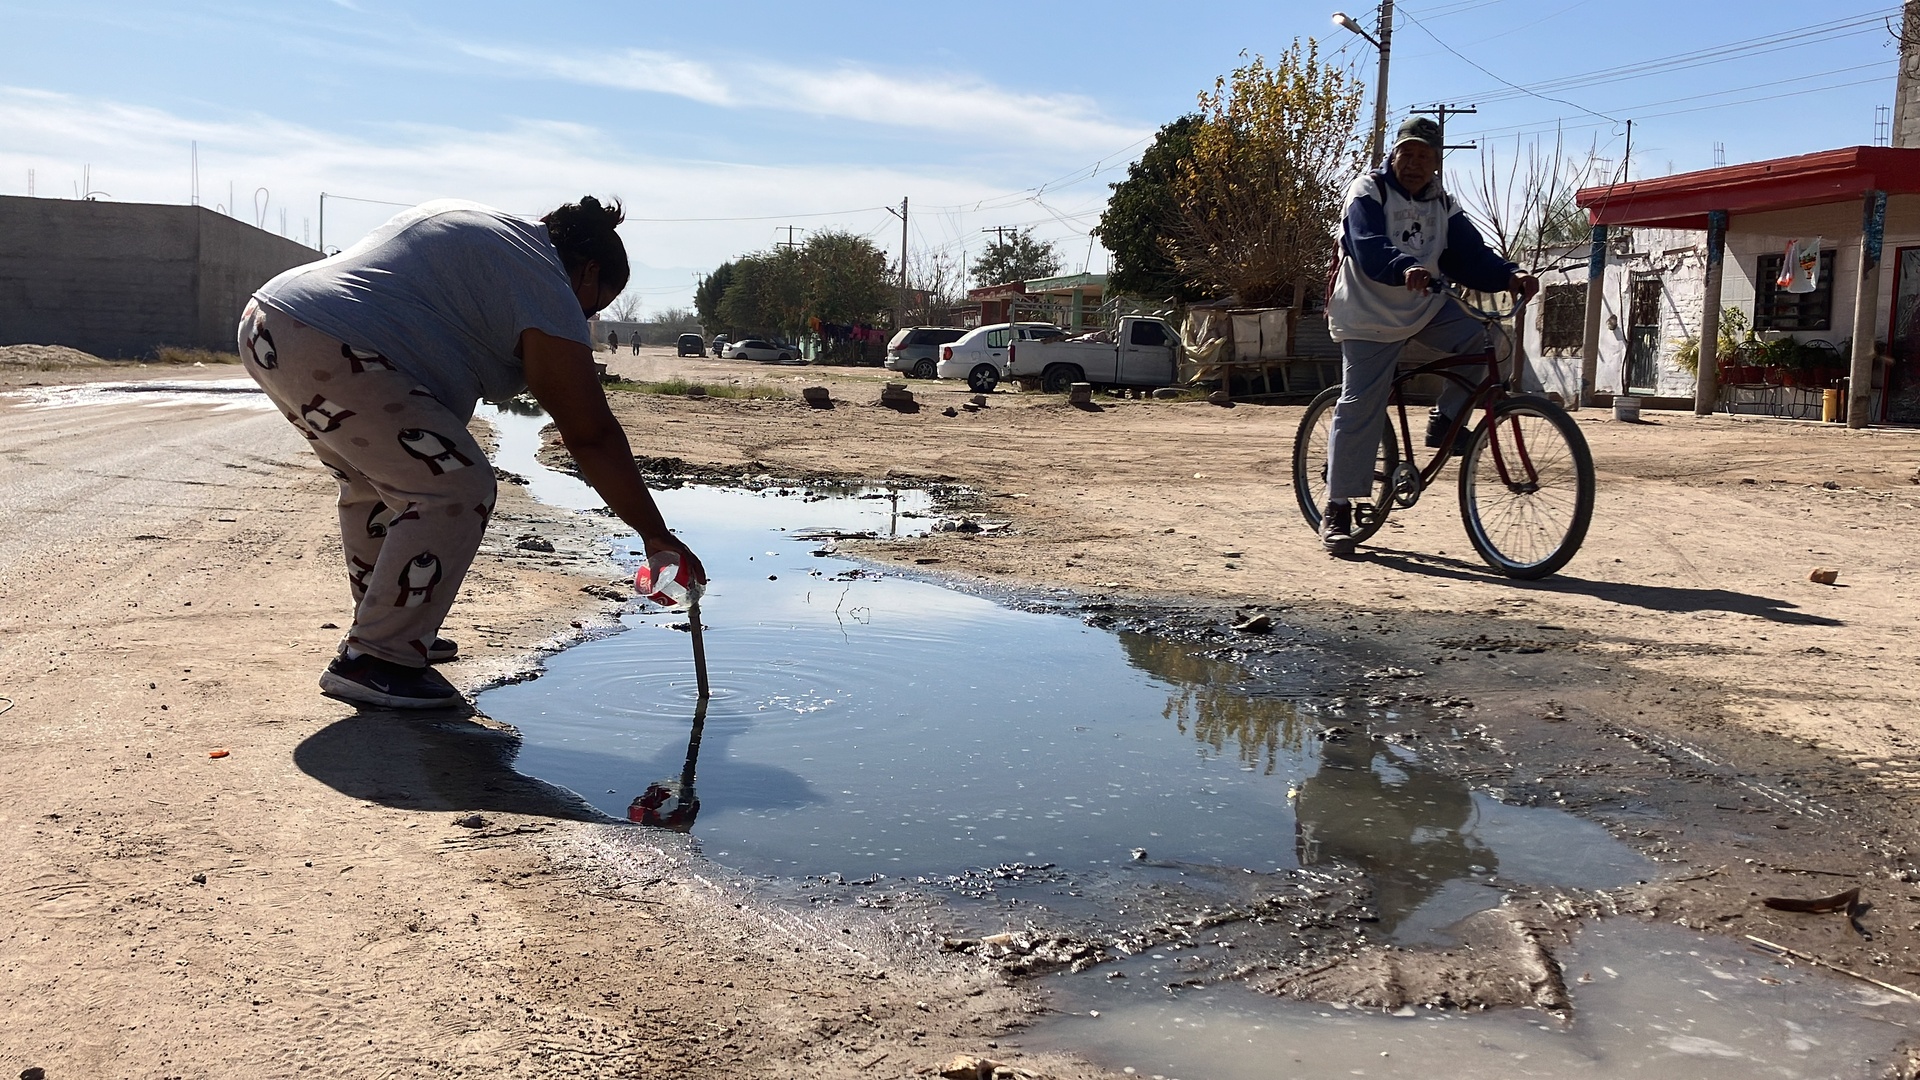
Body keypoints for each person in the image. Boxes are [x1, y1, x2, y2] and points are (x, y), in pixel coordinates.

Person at [238, 196, 705, 708]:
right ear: (588, 271)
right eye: (593, 306)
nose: (585, 318)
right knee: (455, 487)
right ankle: (377, 659)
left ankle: (393, 627)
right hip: (331, 338)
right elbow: (590, 433)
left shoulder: (498, 236)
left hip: (272, 323)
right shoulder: (546, 283)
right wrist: (654, 533)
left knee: (375, 485)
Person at [1322, 117, 1538, 555]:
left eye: (1425, 156)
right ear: (1394, 155)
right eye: (1408, 153)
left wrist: (1510, 274)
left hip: (1425, 307)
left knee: (1490, 341)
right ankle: (1338, 506)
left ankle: (1445, 421)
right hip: (1368, 314)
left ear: (1437, 162)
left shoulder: (1443, 202)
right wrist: (1405, 266)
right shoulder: (1368, 191)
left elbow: (1469, 255)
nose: (1415, 163)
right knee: (1362, 404)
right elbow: (1367, 243)